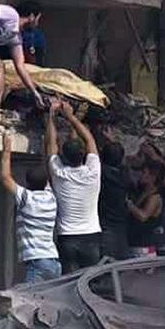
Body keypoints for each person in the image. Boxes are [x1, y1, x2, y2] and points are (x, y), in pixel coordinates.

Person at [45, 100, 102, 273]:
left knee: (69, 280)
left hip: (67, 238)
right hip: (91, 236)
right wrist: (71, 117)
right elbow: (89, 140)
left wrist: (51, 115)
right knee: (91, 281)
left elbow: (51, 144)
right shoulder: (93, 172)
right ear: (83, 155)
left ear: (64, 157)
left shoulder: (59, 173)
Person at [0, 132, 61, 282]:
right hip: (53, 262)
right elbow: (46, 170)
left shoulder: (27, 198)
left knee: (30, 297)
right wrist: (45, 150)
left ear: (27, 184)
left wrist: (6, 150)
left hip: (37, 263)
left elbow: (5, 177)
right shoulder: (51, 197)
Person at [98, 140, 131, 260]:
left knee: (107, 261)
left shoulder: (102, 174)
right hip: (121, 224)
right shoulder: (125, 175)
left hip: (106, 223)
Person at [126, 160, 165, 257]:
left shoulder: (155, 197)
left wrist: (129, 204)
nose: (141, 175)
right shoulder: (142, 193)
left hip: (144, 248)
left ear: (153, 177)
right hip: (134, 244)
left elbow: (143, 216)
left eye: (144, 172)